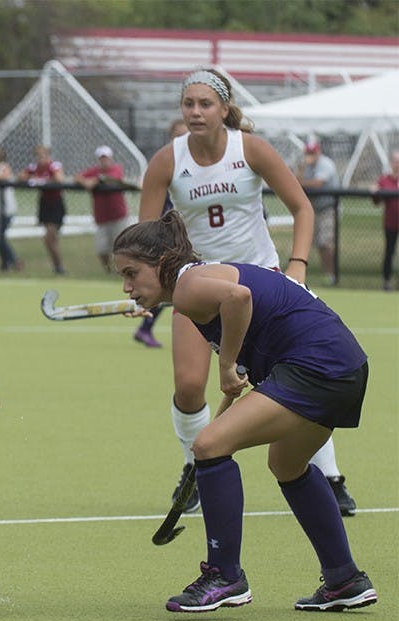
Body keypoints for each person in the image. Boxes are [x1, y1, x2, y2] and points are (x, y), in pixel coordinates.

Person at [113, 210, 377, 614]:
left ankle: (225, 575)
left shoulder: (188, 287)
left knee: (209, 445)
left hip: (318, 367)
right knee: (287, 465)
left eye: (132, 274)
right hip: (345, 367)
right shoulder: (196, 281)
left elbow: (239, 298)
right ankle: (344, 579)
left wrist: (227, 363)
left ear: (162, 264)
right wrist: (245, 362)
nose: (127, 287)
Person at [138, 68, 356, 517]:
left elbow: (302, 207)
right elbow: (145, 238)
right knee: (188, 385)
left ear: (224, 108)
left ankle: (330, 477)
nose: (195, 112)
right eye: (189, 104)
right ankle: (192, 469)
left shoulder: (249, 148)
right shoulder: (166, 160)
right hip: (196, 287)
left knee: (291, 381)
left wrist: (297, 265)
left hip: (261, 287)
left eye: (205, 104)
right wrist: (142, 286)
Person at [132, 120, 189, 349]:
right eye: (177, 136)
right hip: (168, 236)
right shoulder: (165, 163)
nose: (182, 140)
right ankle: (145, 327)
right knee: (167, 283)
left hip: (191, 237)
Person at [75, 145, 130, 272]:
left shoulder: (116, 169)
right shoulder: (94, 171)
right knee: (102, 249)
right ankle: (108, 270)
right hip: (102, 217)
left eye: (106, 158)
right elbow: (78, 177)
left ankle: (123, 271)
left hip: (118, 215)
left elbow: (113, 178)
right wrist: (86, 182)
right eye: (101, 158)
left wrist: (96, 180)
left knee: (121, 247)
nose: (104, 161)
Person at [296, 139, 340, 285]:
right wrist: (302, 168)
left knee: (325, 242)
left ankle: (332, 274)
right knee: (316, 243)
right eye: (308, 152)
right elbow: (297, 180)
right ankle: (325, 274)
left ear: (318, 152)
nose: (310, 155)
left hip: (328, 208)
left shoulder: (325, 164)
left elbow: (317, 183)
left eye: (312, 152)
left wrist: (299, 182)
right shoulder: (306, 165)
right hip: (313, 209)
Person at [19, 145, 67, 274]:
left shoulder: (54, 166)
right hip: (44, 203)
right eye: (39, 156)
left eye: (44, 155)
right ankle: (57, 266)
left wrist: (43, 179)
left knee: (49, 238)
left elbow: (59, 178)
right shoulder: (34, 168)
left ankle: (59, 266)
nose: (41, 159)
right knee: (51, 240)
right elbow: (21, 176)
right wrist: (31, 178)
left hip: (56, 203)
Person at [371, 149, 399, 291]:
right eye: (395, 161)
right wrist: (375, 192)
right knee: (389, 252)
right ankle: (386, 281)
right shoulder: (385, 179)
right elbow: (376, 201)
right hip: (391, 223)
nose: (397, 164)